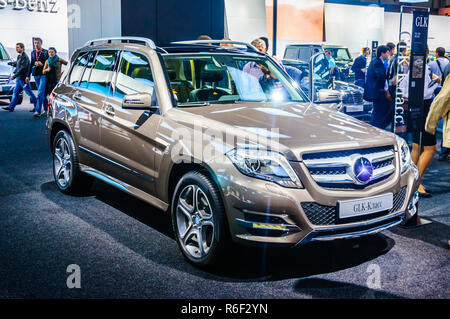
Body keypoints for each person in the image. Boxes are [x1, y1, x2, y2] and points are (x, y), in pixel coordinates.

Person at [400, 48, 440, 197]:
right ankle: (416, 184)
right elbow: (423, 93)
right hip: (422, 111)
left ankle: (413, 181)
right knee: (430, 149)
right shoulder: (420, 69)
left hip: (416, 110)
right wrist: (437, 82)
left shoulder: (413, 68)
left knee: (417, 147)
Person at [2, 43, 37, 112]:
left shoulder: (25, 57)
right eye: (16, 47)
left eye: (18, 47)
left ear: (22, 48)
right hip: (19, 78)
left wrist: (14, 76)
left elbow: (22, 69)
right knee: (15, 92)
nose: (16, 49)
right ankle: (11, 107)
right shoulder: (19, 56)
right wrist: (12, 63)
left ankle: (37, 107)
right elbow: (18, 64)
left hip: (23, 78)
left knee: (29, 92)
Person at [364, 45, 392, 129]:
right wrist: (386, 90)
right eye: (387, 53)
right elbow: (381, 77)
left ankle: (375, 128)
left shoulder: (375, 62)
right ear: (382, 53)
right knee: (379, 112)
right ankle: (376, 129)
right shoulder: (378, 63)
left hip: (376, 92)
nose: (388, 55)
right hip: (378, 92)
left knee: (377, 111)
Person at [28, 38, 49, 117]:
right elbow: (31, 63)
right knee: (42, 94)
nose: (36, 44)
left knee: (40, 93)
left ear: (41, 43)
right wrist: (28, 75)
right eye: (35, 43)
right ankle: (47, 110)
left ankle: (38, 111)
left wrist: (42, 64)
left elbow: (49, 64)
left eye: (38, 43)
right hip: (36, 75)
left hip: (43, 75)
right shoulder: (33, 52)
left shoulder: (45, 52)